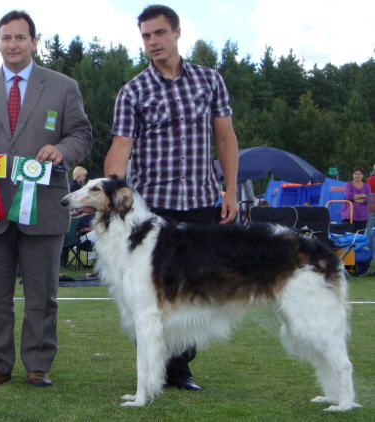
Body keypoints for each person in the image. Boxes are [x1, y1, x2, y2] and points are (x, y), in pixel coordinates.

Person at [104, 5, 238, 391]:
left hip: (200, 203)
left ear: (178, 32)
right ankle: (151, 366)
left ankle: (180, 371)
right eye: (146, 36)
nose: (152, 42)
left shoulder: (210, 80)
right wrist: (114, 194)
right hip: (153, 210)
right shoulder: (133, 91)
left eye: (159, 33)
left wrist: (229, 190)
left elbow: (225, 138)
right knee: (148, 293)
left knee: (192, 290)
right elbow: (121, 147)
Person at [0, 10, 92, 387]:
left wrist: (63, 150)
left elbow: (81, 134)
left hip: (44, 205)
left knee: (43, 294)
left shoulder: (63, 86)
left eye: (20, 38)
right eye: (6, 37)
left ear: (34, 41)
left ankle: (38, 365)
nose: (13, 44)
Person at [341, 166, 371, 232]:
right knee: (348, 236)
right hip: (349, 215)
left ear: (363, 175)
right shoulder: (348, 184)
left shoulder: (367, 186)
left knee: (360, 237)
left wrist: (354, 198)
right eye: (355, 173)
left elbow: (369, 199)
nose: (357, 175)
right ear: (353, 175)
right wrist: (363, 196)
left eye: (359, 174)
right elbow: (348, 196)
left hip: (363, 216)